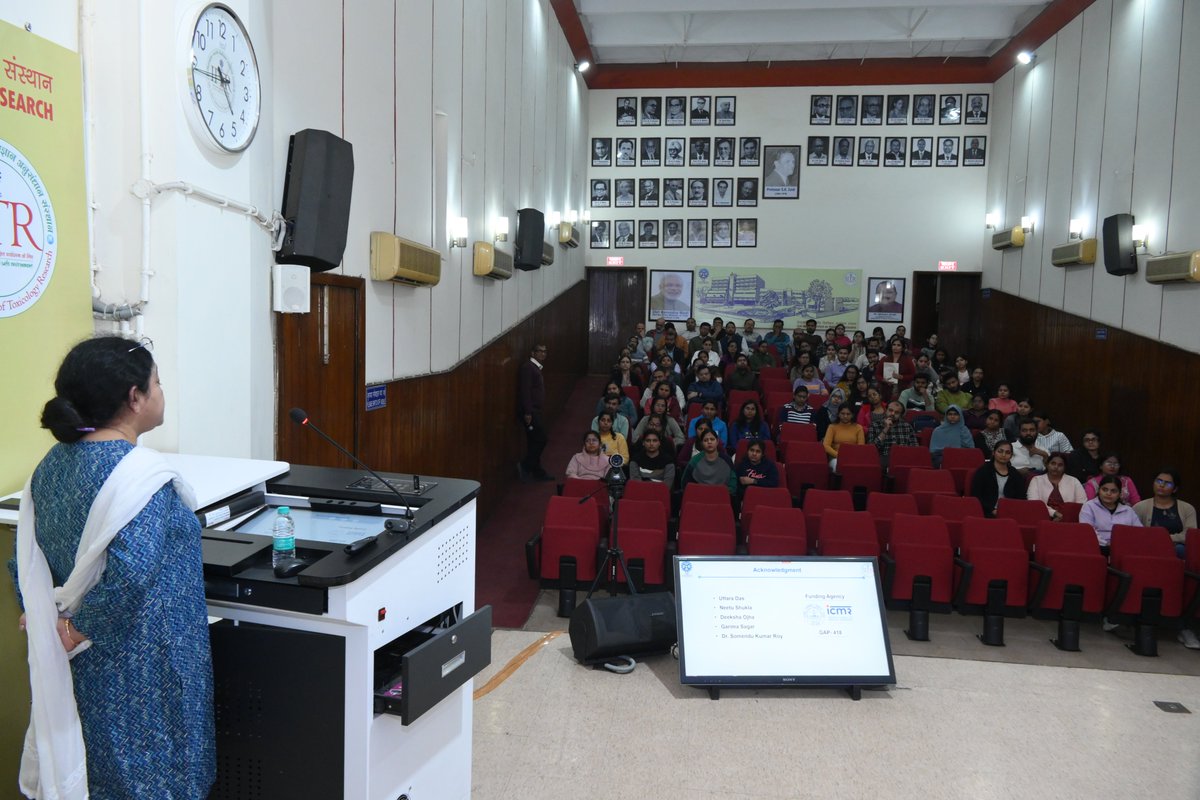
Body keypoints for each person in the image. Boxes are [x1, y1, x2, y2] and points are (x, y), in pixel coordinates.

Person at [11, 335, 215, 798]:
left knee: (101, 771)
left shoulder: (50, 468)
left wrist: (51, 617)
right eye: (157, 383)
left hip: (83, 665)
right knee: (158, 780)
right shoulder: (138, 476)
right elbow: (132, 574)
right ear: (134, 398)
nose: (162, 392)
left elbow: (24, 559)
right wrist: (77, 627)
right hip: (151, 666)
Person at [1133, 469, 1197, 554]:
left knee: (1180, 550)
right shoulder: (1139, 507)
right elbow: (1134, 534)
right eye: (1159, 481)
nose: (1161, 485)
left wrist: (1164, 538)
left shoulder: (1187, 508)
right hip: (1148, 547)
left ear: (1175, 489)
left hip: (1176, 548)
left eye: (1168, 483)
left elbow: (1190, 535)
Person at [1080, 474, 1141, 549]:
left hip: (1124, 548)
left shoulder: (1128, 510)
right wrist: (1107, 545)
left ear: (1119, 494)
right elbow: (1088, 532)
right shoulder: (1089, 506)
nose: (1108, 493)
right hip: (1096, 547)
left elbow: (1139, 532)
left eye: (1113, 491)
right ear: (1099, 490)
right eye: (1104, 490)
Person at [519, 344, 551, 481]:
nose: (543, 354)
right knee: (541, 439)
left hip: (535, 410)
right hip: (531, 411)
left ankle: (537, 471)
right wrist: (528, 412)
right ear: (533, 353)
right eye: (540, 351)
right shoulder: (528, 368)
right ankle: (525, 466)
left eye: (545, 351)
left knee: (534, 441)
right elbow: (525, 391)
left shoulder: (535, 368)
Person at [970, 441, 1028, 517]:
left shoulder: (1015, 474)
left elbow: (1021, 498)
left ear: (1011, 456)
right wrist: (991, 510)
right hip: (985, 513)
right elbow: (976, 496)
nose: (1003, 455)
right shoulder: (983, 471)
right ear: (994, 453)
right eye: (1000, 451)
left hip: (1010, 515)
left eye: (1007, 452)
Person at [1027, 452, 1088, 520]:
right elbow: (1034, 503)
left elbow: (1082, 504)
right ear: (1047, 464)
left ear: (1064, 467)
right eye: (1053, 463)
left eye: (1060, 465)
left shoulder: (1074, 481)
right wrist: (1054, 513)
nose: (1056, 467)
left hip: (1069, 519)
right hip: (1042, 517)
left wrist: (1065, 516)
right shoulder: (1036, 480)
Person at [681, 429, 736, 497]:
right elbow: (685, 484)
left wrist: (724, 492)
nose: (709, 442)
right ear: (702, 443)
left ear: (717, 441)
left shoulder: (727, 460)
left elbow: (733, 482)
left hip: (722, 497)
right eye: (706, 440)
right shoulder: (694, 461)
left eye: (712, 439)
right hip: (700, 497)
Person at [866, 401, 918, 467]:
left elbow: (915, 448)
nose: (892, 414)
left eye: (897, 412)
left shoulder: (907, 426)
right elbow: (871, 449)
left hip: (903, 460)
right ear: (885, 410)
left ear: (900, 415)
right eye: (890, 410)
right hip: (882, 459)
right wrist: (886, 429)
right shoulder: (875, 425)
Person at [823, 403, 865, 472]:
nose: (845, 416)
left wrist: (851, 458)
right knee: (838, 465)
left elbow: (861, 447)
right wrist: (840, 456)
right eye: (842, 413)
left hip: (854, 458)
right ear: (838, 414)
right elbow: (826, 445)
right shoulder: (832, 427)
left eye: (848, 414)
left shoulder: (858, 428)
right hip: (836, 457)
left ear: (852, 415)